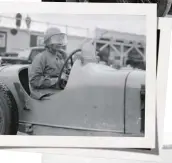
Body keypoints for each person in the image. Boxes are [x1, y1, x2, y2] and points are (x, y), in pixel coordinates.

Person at [28, 27, 68, 100]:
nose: (59, 42)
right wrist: (57, 80)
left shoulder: (61, 57)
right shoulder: (41, 57)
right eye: (56, 40)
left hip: (58, 90)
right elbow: (34, 81)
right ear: (48, 42)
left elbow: (66, 73)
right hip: (44, 94)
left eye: (60, 39)